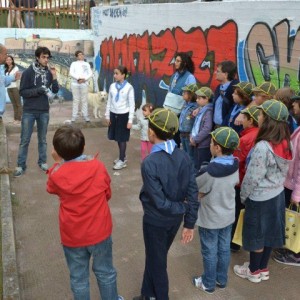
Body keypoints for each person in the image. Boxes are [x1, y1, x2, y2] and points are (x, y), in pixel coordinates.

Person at [46, 125, 124, 300]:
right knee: (106, 272)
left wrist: (58, 163)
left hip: (73, 235)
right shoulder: (97, 166)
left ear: (56, 151)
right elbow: (107, 194)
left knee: (79, 278)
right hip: (100, 231)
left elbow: (51, 188)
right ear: (83, 146)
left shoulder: (56, 174)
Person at [133, 108, 199, 300]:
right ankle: (147, 294)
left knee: (158, 262)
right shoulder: (184, 156)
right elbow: (192, 192)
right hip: (174, 220)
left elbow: (160, 202)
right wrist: (188, 222)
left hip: (156, 221)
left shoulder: (150, 162)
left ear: (151, 132)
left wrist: (185, 210)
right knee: (155, 257)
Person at [234, 100, 293, 283]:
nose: (258, 117)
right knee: (269, 233)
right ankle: (263, 268)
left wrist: (243, 196)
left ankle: (252, 271)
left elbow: (252, 177)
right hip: (277, 195)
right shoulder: (285, 142)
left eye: (260, 115)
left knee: (256, 234)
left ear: (268, 120)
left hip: (259, 197)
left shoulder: (262, 147)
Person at [193, 127, 239, 294]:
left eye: (212, 143)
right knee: (224, 248)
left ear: (217, 147)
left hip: (210, 218)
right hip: (227, 215)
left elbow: (197, 187)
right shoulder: (235, 164)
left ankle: (208, 283)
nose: (210, 145)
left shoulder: (209, 171)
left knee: (209, 250)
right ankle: (221, 279)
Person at [13, 46, 59, 177]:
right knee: (25, 139)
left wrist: (55, 76)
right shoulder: (28, 72)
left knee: (42, 139)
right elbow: (22, 92)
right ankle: (21, 165)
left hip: (44, 111)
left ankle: (42, 161)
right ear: (37, 58)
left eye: (47, 57)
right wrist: (38, 90)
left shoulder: (49, 73)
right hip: (29, 111)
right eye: (43, 57)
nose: (46, 59)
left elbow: (55, 90)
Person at [273, 91, 300, 266]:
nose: (294, 106)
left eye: (297, 103)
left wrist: (297, 194)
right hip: (290, 182)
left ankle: (295, 254)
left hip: (295, 186)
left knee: (295, 220)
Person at [231, 106, 260, 252]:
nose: (241, 120)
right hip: (251, 182)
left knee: (237, 210)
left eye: (244, 117)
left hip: (241, 181)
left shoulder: (245, 139)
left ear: (251, 120)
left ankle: (233, 242)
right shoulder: (258, 134)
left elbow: (238, 161)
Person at [105, 65, 135, 170]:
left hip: (123, 115)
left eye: (117, 73)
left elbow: (132, 105)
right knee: (117, 137)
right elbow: (109, 101)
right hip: (113, 114)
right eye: (114, 73)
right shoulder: (112, 86)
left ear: (123, 75)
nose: (114, 75)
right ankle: (123, 156)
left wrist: (130, 120)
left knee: (122, 138)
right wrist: (107, 116)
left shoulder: (129, 87)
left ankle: (122, 160)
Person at [167, 52, 196, 147]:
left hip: (182, 111)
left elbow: (192, 95)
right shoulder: (174, 75)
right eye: (175, 60)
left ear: (185, 63)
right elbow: (170, 90)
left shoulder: (190, 77)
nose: (175, 63)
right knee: (170, 135)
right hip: (171, 109)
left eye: (178, 61)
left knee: (178, 137)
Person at [190, 87, 214, 173]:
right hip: (196, 143)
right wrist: (192, 137)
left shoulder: (208, 112)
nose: (196, 100)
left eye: (199, 98)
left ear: (206, 99)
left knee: (200, 168)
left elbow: (207, 129)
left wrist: (195, 139)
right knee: (195, 165)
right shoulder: (202, 110)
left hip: (202, 145)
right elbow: (195, 125)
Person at [213, 60, 239, 128]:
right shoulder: (219, 88)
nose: (215, 73)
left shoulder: (235, 88)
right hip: (216, 127)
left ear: (225, 74)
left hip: (226, 128)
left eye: (218, 71)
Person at [69, 50, 93, 122]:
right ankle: (74, 116)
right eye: (79, 54)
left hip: (84, 83)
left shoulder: (87, 64)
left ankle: (85, 116)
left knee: (84, 100)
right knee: (76, 100)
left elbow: (90, 73)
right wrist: (78, 79)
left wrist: (84, 79)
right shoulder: (73, 63)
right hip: (75, 83)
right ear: (76, 56)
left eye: (82, 54)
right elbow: (71, 73)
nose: (81, 55)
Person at [0, 44, 20, 122]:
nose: (6, 56)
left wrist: (13, 77)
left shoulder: (1, 68)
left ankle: (17, 119)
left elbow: (3, 81)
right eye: (5, 54)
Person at [179, 83, 198, 162]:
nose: (183, 93)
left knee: (190, 157)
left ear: (191, 94)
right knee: (184, 155)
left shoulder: (195, 107)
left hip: (189, 135)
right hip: (182, 134)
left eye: (185, 92)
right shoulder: (185, 105)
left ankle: (191, 173)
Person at [5, 55, 22, 124]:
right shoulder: (5, 69)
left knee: (18, 104)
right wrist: (11, 78)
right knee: (14, 104)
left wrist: (9, 79)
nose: (8, 61)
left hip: (15, 87)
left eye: (10, 60)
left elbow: (16, 78)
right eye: (7, 60)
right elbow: (6, 80)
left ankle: (19, 119)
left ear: (12, 60)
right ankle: (15, 119)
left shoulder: (16, 68)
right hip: (9, 88)